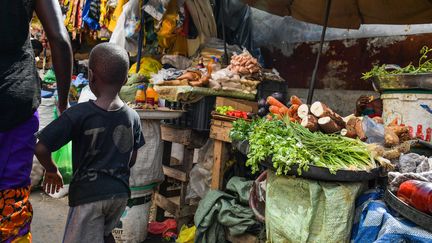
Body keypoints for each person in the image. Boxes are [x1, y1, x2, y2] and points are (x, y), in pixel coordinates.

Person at [35, 43, 145, 243]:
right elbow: (132, 158)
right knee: (103, 234)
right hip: (119, 194)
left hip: (89, 197)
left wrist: (51, 170)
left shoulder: (78, 114)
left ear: (91, 76)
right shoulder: (133, 117)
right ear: (126, 79)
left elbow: (41, 147)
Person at [0, 0, 72, 242]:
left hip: (14, 101)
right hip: (14, 100)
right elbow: (59, 39)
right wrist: (63, 103)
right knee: (11, 200)